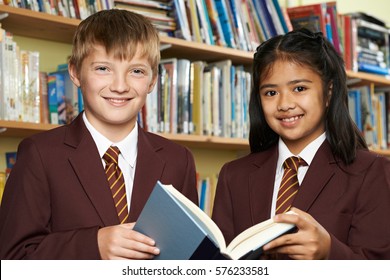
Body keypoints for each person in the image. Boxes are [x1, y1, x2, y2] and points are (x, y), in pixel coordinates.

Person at [0, 9, 198, 260]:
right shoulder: (39, 154)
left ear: (151, 81)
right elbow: (12, 258)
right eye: (103, 68)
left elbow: (187, 257)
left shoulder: (178, 160)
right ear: (75, 73)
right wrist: (94, 245)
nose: (120, 86)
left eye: (136, 71)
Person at [211, 28, 390, 260]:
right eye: (271, 92)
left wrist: (329, 252)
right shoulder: (233, 176)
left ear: (328, 92)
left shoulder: (372, 172)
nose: (284, 104)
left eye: (299, 89)